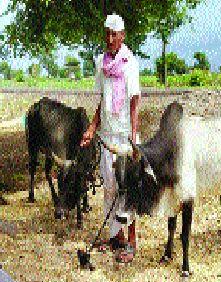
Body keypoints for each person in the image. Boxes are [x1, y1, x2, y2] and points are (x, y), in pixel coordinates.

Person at [80, 13, 141, 263]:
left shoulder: (130, 63)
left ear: (123, 36)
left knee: (127, 189)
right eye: (107, 33)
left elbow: (135, 101)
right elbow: (102, 101)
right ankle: (115, 237)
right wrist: (92, 128)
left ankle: (131, 241)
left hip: (124, 136)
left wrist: (134, 138)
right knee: (109, 187)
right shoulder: (101, 63)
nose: (110, 37)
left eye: (114, 33)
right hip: (106, 134)